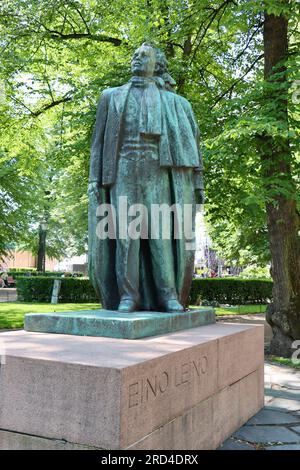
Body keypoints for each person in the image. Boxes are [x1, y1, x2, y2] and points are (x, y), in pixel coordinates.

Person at [88, 43, 204, 313]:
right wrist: (94, 180)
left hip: (159, 170)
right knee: (126, 236)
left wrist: (198, 183)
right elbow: (98, 143)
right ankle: (128, 296)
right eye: (135, 55)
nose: (137, 58)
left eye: (144, 55)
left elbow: (194, 145)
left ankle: (168, 295)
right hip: (123, 171)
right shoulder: (111, 96)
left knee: (159, 234)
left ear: (157, 64)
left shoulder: (174, 103)